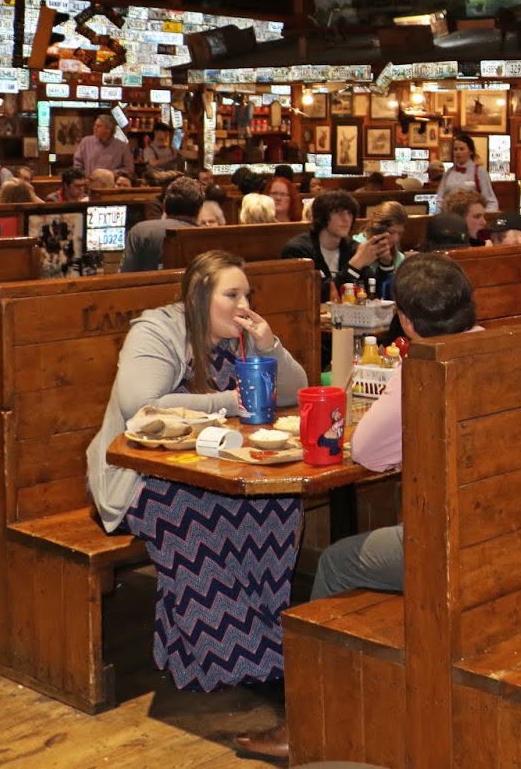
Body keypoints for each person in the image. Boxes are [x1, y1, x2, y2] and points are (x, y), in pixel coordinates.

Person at [237, 253, 479, 760]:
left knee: (335, 563)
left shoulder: (425, 367)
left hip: (456, 547)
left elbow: (367, 451)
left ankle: (311, 722)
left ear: (405, 321)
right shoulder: (498, 346)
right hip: (502, 531)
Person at [85, 251, 307, 696]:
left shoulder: (240, 339)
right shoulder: (157, 331)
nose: (244, 305)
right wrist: (232, 402)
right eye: (232, 295)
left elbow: (294, 391)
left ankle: (256, 647)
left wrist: (269, 347)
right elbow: (141, 407)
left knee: (277, 503)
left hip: (213, 469)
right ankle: (234, 657)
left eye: (247, 295)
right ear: (198, 297)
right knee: (194, 515)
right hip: (139, 478)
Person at [279, 190, 390, 300]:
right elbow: (313, 295)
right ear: (322, 216)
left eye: (349, 213)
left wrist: (385, 264)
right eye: (339, 213)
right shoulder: (297, 250)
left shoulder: (352, 248)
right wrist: (354, 266)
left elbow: (374, 292)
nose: (346, 219)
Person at [121, 178, 204, 272]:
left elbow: (127, 273)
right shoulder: (207, 236)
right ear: (199, 209)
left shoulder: (139, 230)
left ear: (164, 205)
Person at [436, 131, 497, 212]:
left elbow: (491, 201)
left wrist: (482, 216)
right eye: (455, 149)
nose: (458, 152)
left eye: (461, 149)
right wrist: (437, 215)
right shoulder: (448, 173)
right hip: (449, 217)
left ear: (471, 151)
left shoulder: (479, 172)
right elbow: (439, 199)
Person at [357, 202, 408, 298]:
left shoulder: (399, 257)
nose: (395, 239)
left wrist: (387, 263)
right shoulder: (357, 247)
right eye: (391, 232)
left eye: (400, 233)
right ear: (377, 229)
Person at [73, 114, 135, 180]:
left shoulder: (122, 146)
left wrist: (111, 174)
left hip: (112, 183)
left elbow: (129, 169)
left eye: (99, 126)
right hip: (89, 182)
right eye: (95, 125)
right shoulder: (86, 142)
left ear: (108, 129)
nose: (95, 128)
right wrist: (85, 176)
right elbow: (77, 164)